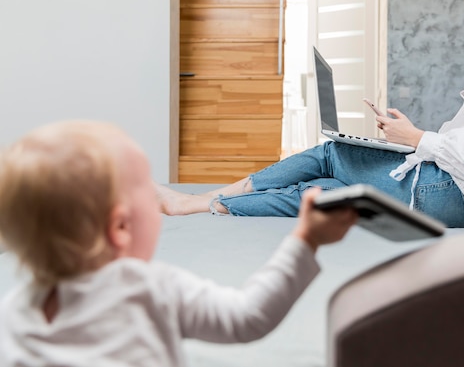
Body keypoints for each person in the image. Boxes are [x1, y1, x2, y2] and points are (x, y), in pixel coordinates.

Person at [156, 0, 464, 227]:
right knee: (325, 192)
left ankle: (196, 201)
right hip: (445, 186)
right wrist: (411, 139)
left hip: (452, 196)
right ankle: (212, 204)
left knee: (332, 154)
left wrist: (419, 139)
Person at [0, 120, 358, 366]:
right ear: (120, 229)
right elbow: (247, 317)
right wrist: (305, 241)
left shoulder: (15, 315)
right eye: (149, 191)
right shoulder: (152, 291)